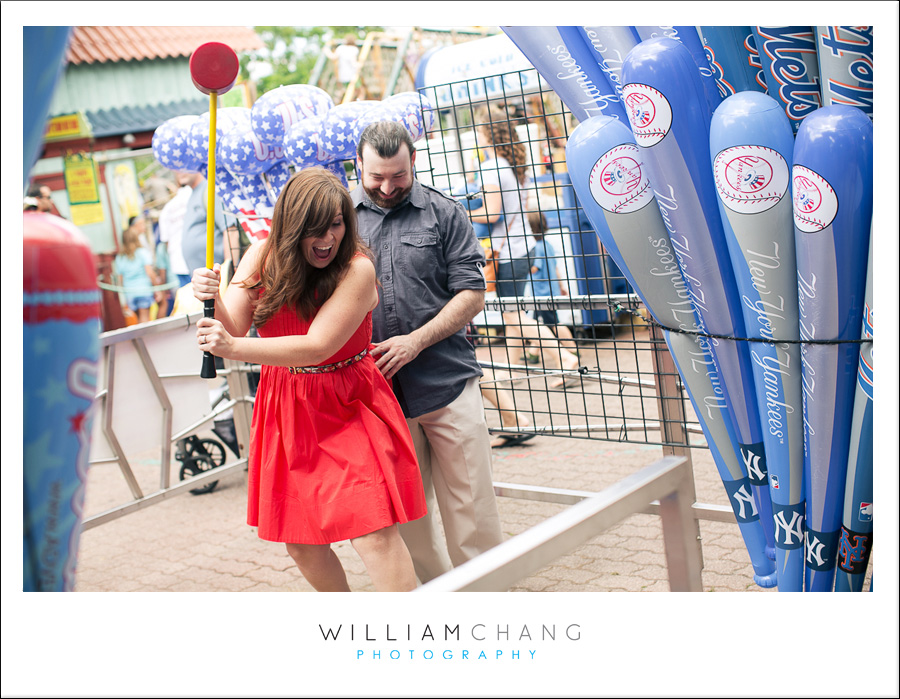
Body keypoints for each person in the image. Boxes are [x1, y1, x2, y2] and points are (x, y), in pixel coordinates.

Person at [191, 167, 425, 592]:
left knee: (373, 530)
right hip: (286, 404)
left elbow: (317, 345)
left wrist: (231, 347)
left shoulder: (357, 267)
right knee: (301, 542)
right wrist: (213, 298)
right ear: (289, 225)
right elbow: (235, 327)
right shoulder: (261, 256)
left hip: (347, 401)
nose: (327, 238)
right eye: (314, 228)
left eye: (336, 224)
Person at [352, 120, 504, 583]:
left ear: (413, 162)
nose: (386, 186)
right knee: (408, 515)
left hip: (446, 381)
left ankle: (485, 602)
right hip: (379, 397)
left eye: (397, 175)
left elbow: (472, 293)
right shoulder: (340, 218)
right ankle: (437, 603)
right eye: (376, 176)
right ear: (358, 165)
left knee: (472, 510)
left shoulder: (446, 213)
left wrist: (416, 341)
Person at [468, 107, 580, 388]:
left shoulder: (492, 168)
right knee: (512, 310)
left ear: (487, 133)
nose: (476, 136)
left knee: (514, 313)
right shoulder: (513, 167)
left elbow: (492, 213)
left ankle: (564, 359)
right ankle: (513, 369)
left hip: (507, 253)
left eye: (478, 130)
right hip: (522, 245)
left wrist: (461, 212)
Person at [527, 211, 577, 353]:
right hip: (550, 290)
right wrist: (561, 286)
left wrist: (520, 265)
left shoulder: (535, 247)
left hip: (541, 292)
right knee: (537, 323)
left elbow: (534, 268)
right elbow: (555, 268)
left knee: (552, 322)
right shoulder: (547, 244)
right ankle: (533, 353)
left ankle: (572, 349)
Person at [181, 172, 241, 275]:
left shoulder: (209, 188)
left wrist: (230, 274)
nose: (179, 171)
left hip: (218, 276)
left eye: (182, 162)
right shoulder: (194, 193)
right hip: (202, 279)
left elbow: (230, 231)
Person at [115, 222, 159, 324]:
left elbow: (120, 279)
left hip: (130, 293)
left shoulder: (120, 258)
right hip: (144, 290)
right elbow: (150, 273)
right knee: (144, 318)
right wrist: (157, 288)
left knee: (137, 319)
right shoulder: (142, 253)